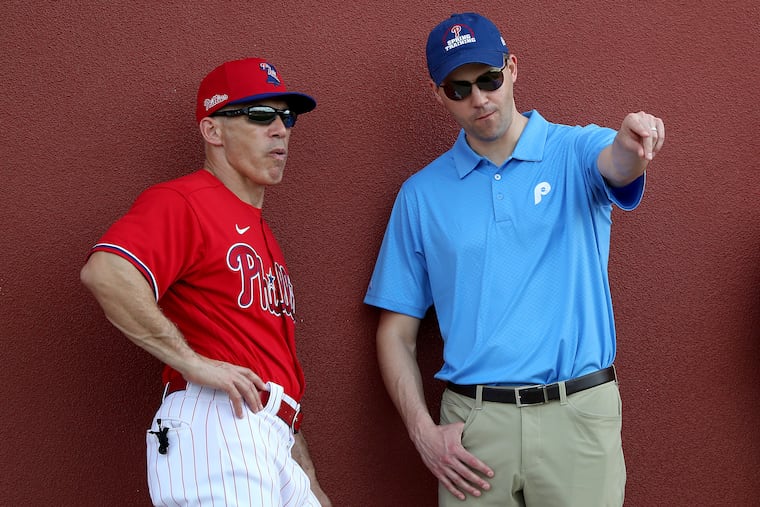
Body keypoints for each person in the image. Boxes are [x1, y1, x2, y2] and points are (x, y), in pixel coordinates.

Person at [364, 12, 664, 507]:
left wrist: (635, 144)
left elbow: (617, 162)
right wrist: (422, 431)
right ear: (437, 94)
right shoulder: (420, 196)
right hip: (476, 429)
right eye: (458, 89)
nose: (479, 98)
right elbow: (395, 331)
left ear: (512, 68)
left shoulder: (572, 150)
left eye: (488, 78)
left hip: (578, 417)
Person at [81, 57, 331, 507]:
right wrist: (193, 363)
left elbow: (268, 362)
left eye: (286, 116)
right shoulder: (185, 200)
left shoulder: (257, 226)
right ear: (213, 130)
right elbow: (107, 272)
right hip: (218, 422)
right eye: (259, 115)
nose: (280, 128)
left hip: (269, 433)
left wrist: (304, 472)